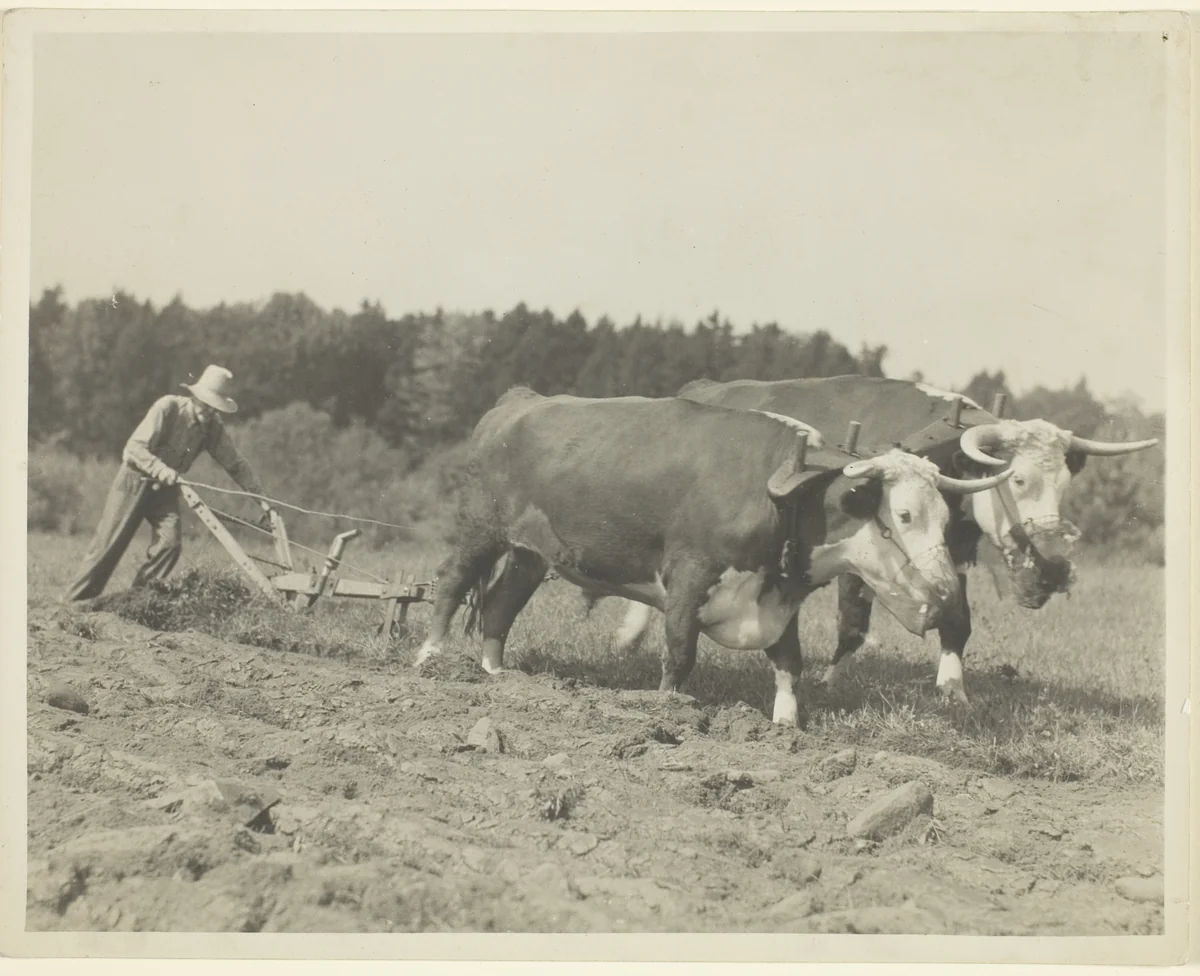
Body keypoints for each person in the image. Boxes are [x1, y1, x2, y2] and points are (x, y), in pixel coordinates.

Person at [63, 364, 275, 602]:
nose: (208, 411)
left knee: (170, 544)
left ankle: (136, 601)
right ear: (195, 396)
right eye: (205, 403)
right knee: (109, 544)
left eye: (214, 407)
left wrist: (262, 500)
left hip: (165, 490)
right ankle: (73, 604)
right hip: (135, 480)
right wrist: (160, 469)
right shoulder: (168, 408)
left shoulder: (212, 428)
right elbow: (134, 447)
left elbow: (236, 464)